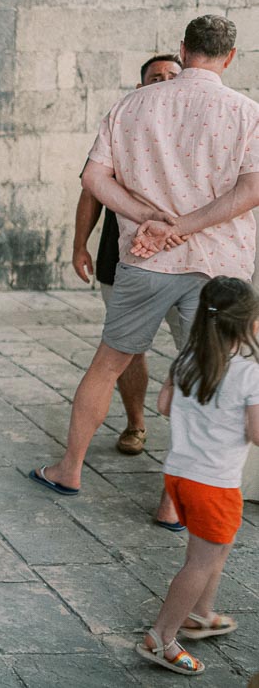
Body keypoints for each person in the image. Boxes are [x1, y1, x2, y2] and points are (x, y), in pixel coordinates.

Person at [32, 14, 259, 499]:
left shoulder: (130, 106)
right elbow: (253, 188)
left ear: (183, 49)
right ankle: (173, 505)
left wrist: (150, 216)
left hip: (143, 259)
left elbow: (94, 179)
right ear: (231, 56)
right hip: (219, 267)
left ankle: (69, 470)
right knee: (208, 371)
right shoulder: (246, 111)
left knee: (107, 364)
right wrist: (186, 225)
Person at [136, 276, 259, 676]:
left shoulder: (187, 359)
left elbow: (164, 405)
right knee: (199, 563)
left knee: (216, 549)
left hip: (180, 476)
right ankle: (162, 637)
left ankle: (201, 614)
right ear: (248, 323)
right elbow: (256, 434)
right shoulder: (247, 374)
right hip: (215, 484)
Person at [71, 53, 184, 459]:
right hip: (121, 258)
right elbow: (91, 188)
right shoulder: (124, 122)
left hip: (188, 260)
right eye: (156, 76)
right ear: (141, 87)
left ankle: (187, 441)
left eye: (173, 75)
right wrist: (79, 244)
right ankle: (136, 424)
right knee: (125, 348)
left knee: (191, 347)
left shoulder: (200, 123)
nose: (165, 81)